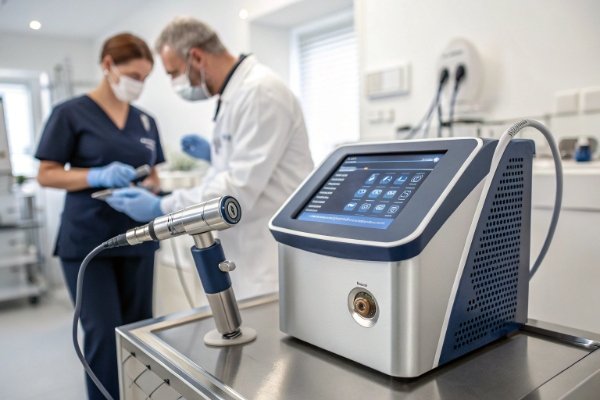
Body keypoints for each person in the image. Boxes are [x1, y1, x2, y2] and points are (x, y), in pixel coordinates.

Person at [107, 17, 314, 300]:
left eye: (174, 73)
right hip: (247, 252)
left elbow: (234, 190)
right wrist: (215, 156)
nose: (174, 83)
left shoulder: (260, 92)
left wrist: (162, 206)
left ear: (196, 57)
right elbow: (236, 169)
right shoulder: (235, 95)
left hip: (267, 258)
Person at [35, 33, 165, 400]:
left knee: (139, 331)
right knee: (104, 337)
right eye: (134, 75)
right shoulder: (69, 113)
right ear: (108, 65)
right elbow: (46, 174)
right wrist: (96, 175)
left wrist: (150, 189)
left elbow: (155, 175)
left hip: (138, 239)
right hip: (88, 242)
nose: (139, 84)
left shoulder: (146, 121)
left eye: (145, 78)